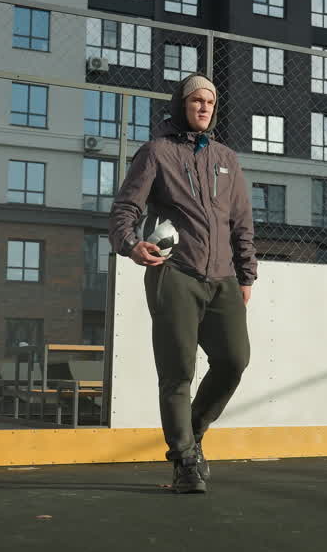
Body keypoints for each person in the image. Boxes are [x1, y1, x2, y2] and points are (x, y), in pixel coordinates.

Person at [108, 73, 256, 494]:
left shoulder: (227, 158)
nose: (205, 106)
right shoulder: (156, 152)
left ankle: (191, 433)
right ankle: (185, 461)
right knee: (178, 372)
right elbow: (125, 209)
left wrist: (246, 274)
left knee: (234, 360)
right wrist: (131, 245)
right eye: (196, 100)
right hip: (174, 274)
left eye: (210, 101)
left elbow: (241, 222)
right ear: (181, 105)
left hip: (224, 277)